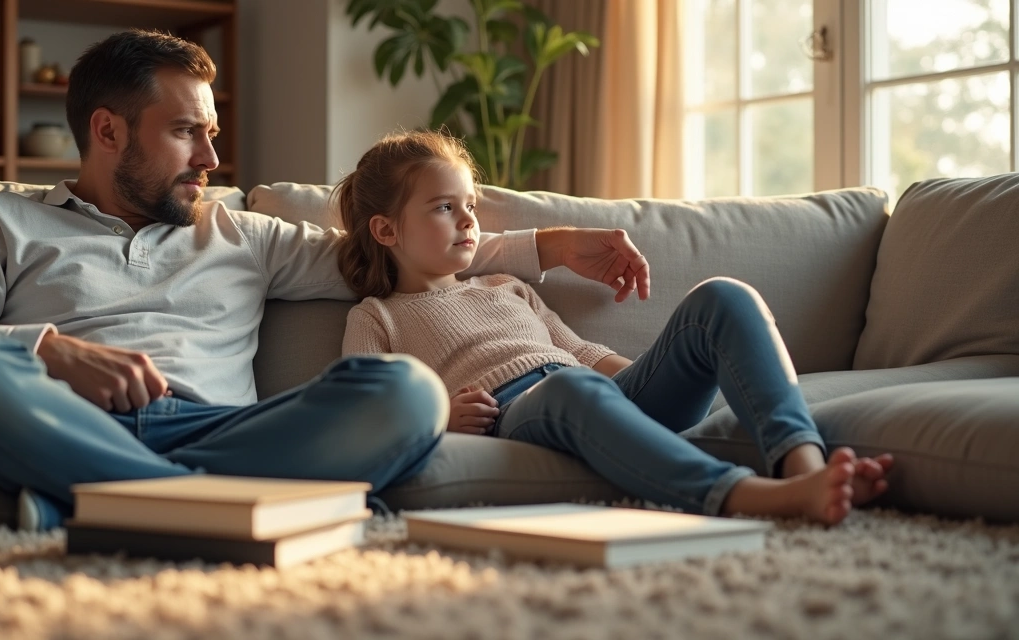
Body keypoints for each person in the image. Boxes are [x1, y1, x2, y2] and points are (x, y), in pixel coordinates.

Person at [0, 30, 656, 532]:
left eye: (210, 134)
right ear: (106, 131)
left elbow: (399, 250)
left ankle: (114, 506)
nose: (210, 159)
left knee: (403, 392)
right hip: (64, 422)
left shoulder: (242, 233)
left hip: (222, 434)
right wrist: (51, 352)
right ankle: (201, 510)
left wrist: (548, 243)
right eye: (184, 133)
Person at [337, 130, 894, 525]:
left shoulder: (507, 285)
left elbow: (580, 350)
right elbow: (359, 415)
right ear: (386, 230)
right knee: (568, 385)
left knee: (723, 297)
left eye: (471, 205)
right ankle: (747, 497)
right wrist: (440, 418)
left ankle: (806, 469)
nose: (468, 221)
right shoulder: (376, 316)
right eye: (443, 208)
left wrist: (654, 380)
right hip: (521, 414)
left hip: (597, 393)